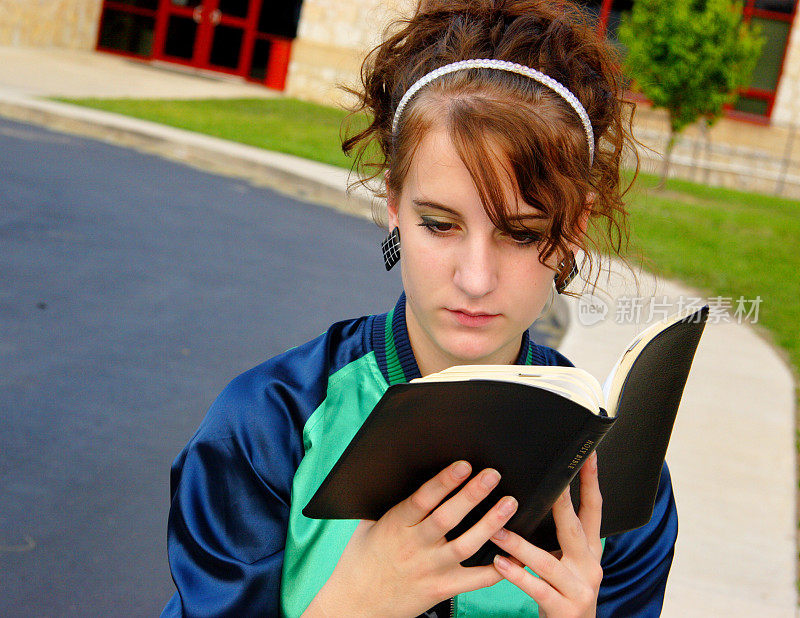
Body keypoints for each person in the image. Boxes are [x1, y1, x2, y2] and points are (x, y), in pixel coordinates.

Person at [160, 1, 678, 616]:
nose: (476, 278)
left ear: (572, 231)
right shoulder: (267, 427)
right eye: (440, 224)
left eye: (521, 233)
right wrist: (352, 603)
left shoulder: (612, 474)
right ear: (395, 208)